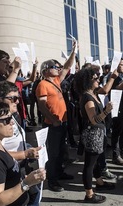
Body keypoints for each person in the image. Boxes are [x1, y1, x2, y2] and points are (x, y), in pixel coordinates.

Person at [0, 81, 42, 206]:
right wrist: (25, 153)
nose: (18, 101)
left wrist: (29, 149)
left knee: (34, 195)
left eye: (18, 97)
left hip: (21, 168)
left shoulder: (12, 116)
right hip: (8, 176)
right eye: (12, 98)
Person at [36, 41, 77, 192]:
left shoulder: (56, 81)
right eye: (54, 67)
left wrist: (74, 51)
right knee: (53, 153)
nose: (58, 68)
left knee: (61, 150)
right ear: (46, 70)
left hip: (62, 122)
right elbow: (41, 105)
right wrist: (53, 120)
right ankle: (52, 180)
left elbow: (67, 66)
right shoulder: (43, 84)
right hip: (52, 124)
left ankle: (59, 173)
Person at [73, 67, 117, 203]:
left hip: (98, 134)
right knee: (89, 165)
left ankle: (100, 182)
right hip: (92, 135)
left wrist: (113, 78)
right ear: (87, 81)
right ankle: (89, 194)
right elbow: (94, 120)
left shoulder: (93, 93)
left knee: (97, 160)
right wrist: (106, 111)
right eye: (95, 78)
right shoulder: (87, 98)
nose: (98, 79)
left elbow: (105, 89)